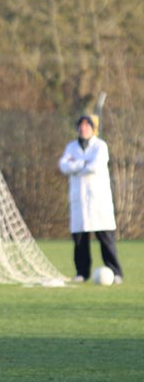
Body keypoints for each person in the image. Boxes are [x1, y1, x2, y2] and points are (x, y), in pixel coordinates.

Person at [58, 114, 123, 284]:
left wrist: (77, 164)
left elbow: (95, 166)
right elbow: (64, 165)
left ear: (93, 129)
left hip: (98, 201)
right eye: (81, 126)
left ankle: (116, 272)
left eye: (87, 126)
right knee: (80, 239)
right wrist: (83, 164)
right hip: (79, 199)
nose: (83, 129)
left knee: (105, 238)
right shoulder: (71, 147)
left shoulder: (100, 146)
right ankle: (82, 272)